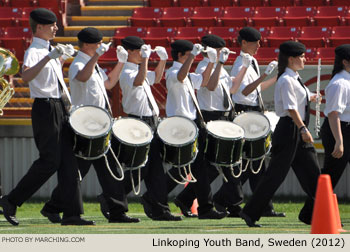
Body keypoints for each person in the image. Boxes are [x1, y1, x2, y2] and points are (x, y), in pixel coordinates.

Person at [0, 8, 94, 226]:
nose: (56, 27)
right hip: (45, 109)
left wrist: (59, 58)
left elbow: (50, 81)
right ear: (39, 27)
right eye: (51, 25)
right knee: (50, 161)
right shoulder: (35, 50)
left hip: (59, 107)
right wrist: (48, 57)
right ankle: (11, 200)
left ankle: (72, 214)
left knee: (68, 162)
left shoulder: (49, 49)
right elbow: (25, 76)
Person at [40, 27, 140, 223]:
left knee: (109, 167)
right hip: (84, 125)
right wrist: (97, 58)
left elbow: (109, 83)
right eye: (97, 43)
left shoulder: (93, 65)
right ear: (87, 45)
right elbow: (82, 77)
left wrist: (121, 62)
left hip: (99, 123)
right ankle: (53, 206)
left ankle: (117, 211)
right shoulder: (79, 63)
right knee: (77, 170)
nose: (100, 46)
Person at [239, 41, 321, 227]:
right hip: (290, 130)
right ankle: (250, 213)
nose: (304, 59)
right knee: (275, 176)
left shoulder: (295, 77)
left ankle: (312, 214)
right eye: (301, 56)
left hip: (297, 131)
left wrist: (313, 96)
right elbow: (291, 108)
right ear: (291, 59)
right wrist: (303, 129)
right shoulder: (285, 79)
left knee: (313, 173)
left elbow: (302, 97)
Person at [167, 35, 250, 218]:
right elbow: (210, 85)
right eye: (220, 50)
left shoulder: (211, 65)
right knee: (219, 163)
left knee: (211, 165)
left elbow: (232, 90)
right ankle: (231, 203)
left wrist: (245, 66)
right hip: (210, 116)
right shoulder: (203, 65)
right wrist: (217, 62)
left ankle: (188, 198)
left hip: (222, 116)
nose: (222, 53)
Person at [119, 36, 181, 221]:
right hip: (138, 122)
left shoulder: (139, 70)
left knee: (154, 169)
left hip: (151, 122)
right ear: (129, 52)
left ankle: (159, 208)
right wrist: (146, 59)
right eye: (138, 51)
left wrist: (162, 60)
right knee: (142, 168)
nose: (141, 54)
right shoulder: (127, 71)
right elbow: (138, 81)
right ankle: (114, 196)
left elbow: (156, 78)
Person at [165, 39, 228, 219]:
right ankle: (155, 198)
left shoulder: (187, 73)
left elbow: (203, 81)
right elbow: (181, 76)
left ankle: (205, 208)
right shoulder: (173, 72)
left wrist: (211, 61)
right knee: (184, 168)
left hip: (192, 124)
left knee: (198, 168)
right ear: (180, 56)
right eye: (188, 54)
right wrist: (194, 55)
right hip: (181, 125)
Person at [224, 27, 283, 217]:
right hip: (244, 113)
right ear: (243, 43)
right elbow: (244, 92)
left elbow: (257, 89)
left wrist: (275, 77)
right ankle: (230, 200)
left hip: (253, 111)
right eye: (255, 42)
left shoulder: (252, 61)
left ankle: (259, 205)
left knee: (255, 162)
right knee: (251, 161)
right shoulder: (240, 64)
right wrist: (264, 75)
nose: (259, 45)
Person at [300, 44, 350, 224]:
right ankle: (309, 213)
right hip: (340, 130)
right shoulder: (339, 83)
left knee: (331, 173)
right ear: (345, 62)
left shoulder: (346, 80)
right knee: (331, 173)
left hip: (344, 129)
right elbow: (333, 113)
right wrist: (339, 141)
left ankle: (308, 212)